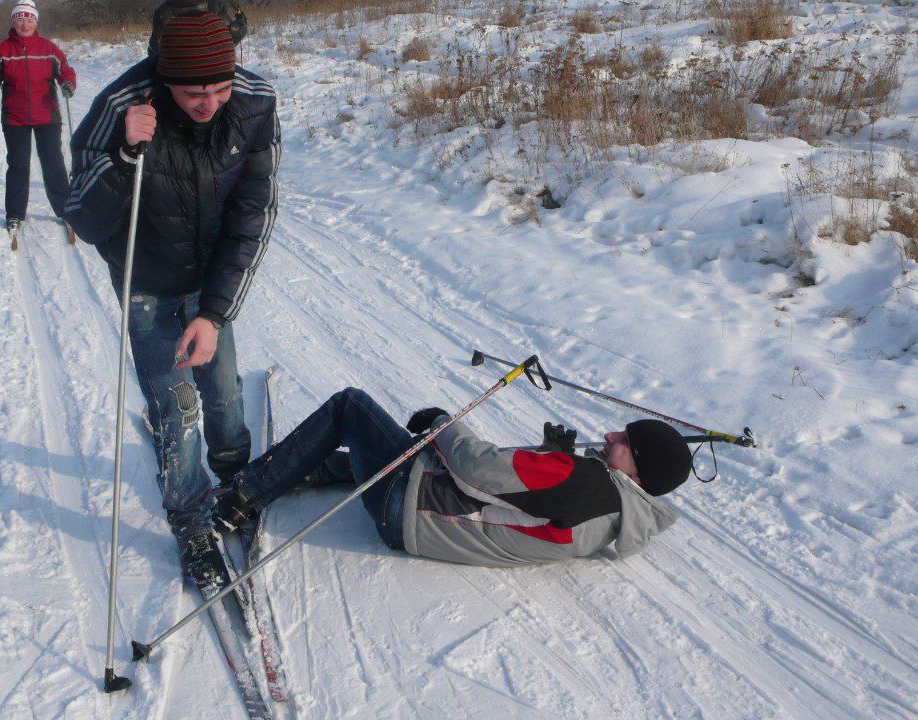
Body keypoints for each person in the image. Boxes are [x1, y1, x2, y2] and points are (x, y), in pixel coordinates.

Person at [63, 13, 279, 586]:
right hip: (148, 284)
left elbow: (253, 212)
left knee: (225, 391)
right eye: (193, 93)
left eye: (220, 87)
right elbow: (81, 216)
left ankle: (234, 478)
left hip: (208, 282)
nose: (210, 103)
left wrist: (214, 313)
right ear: (165, 78)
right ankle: (190, 519)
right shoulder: (121, 107)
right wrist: (126, 157)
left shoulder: (254, 103)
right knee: (175, 407)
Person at [215, 388, 693, 570]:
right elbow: (526, 507)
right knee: (400, 449)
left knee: (351, 407)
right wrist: (550, 458)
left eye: (624, 440)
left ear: (638, 469)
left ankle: (244, 494)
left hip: (408, 508)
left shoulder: (586, 480)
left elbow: (478, 469)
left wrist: (443, 422)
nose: (609, 435)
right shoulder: (613, 518)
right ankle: (309, 467)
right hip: (428, 527)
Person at [0, 0, 77, 236]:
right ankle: (14, 214)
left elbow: (65, 69)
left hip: (48, 115)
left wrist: (67, 83)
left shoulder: (48, 49)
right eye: (20, 19)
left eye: (30, 19)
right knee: (19, 165)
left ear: (36, 21)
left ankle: (65, 210)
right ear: (14, 21)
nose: (25, 23)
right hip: (15, 117)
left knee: (53, 163)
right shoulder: (2, 50)